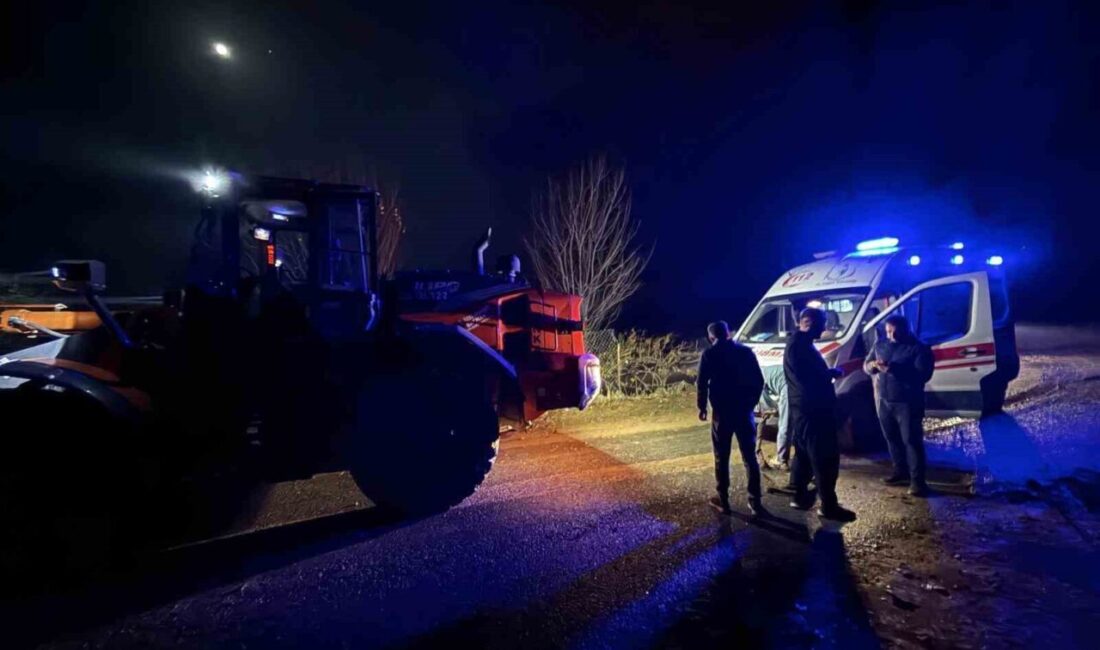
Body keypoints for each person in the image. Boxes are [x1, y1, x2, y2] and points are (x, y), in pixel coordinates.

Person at [785, 307, 856, 522]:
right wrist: (830, 374)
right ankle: (828, 506)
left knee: (805, 455)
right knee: (824, 458)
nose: (824, 328)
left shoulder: (800, 344)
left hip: (805, 411)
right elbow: (807, 378)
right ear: (807, 322)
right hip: (813, 411)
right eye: (821, 323)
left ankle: (799, 496)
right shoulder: (799, 346)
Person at [697, 320, 766, 516]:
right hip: (744, 410)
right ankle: (755, 501)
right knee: (749, 457)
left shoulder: (710, 354)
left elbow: (702, 382)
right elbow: (759, 380)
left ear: (711, 338)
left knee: (722, 456)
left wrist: (702, 407)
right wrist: (751, 403)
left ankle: (723, 500)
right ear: (728, 333)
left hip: (722, 412)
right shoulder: (745, 352)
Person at [863, 314, 934, 496]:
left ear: (905, 329)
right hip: (885, 400)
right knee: (891, 438)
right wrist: (871, 366)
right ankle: (899, 471)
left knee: (911, 441)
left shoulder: (919, 348)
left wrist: (893, 369)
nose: (891, 336)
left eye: (895, 332)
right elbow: (866, 364)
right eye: (888, 332)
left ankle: (918, 482)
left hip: (908, 403)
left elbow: (923, 375)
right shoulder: (880, 344)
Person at [758, 363, 791, 470]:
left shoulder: (756, 378)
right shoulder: (765, 370)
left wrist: (771, 411)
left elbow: (765, 405)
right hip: (802, 384)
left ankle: (781, 461)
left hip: (789, 388)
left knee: (784, 425)